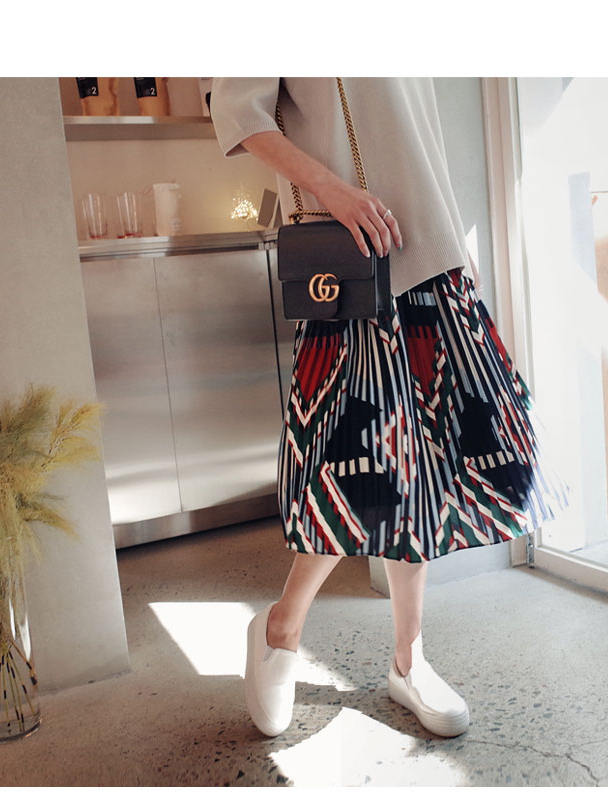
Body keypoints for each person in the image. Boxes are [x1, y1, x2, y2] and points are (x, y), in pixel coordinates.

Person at [210, 77, 570, 739]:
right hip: (352, 261)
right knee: (349, 467)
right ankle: (281, 626)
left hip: (430, 253)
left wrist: (452, 238)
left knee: (421, 467)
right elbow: (237, 112)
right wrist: (333, 190)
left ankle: (409, 659)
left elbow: (418, 131)